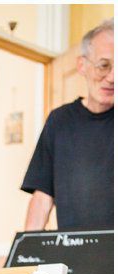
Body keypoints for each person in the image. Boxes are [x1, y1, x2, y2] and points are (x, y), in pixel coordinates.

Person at [22, 18, 114, 231]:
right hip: (73, 252)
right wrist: (26, 254)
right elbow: (43, 196)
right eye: (104, 66)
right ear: (82, 65)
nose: (112, 77)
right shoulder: (59, 121)